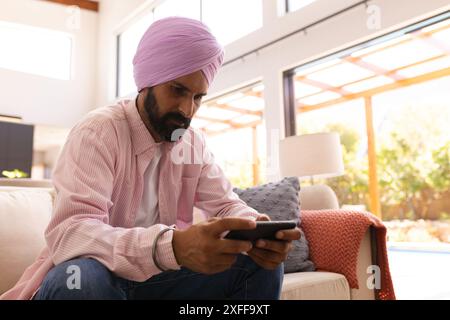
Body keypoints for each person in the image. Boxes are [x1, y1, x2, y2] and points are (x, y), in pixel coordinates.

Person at [1, 17, 300, 300]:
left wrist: (254, 226)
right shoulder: (98, 132)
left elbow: (225, 203)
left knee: (259, 265)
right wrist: (170, 247)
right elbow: (72, 232)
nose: (187, 109)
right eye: (178, 90)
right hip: (99, 276)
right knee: (80, 278)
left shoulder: (192, 142)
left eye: (197, 97)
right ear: (147, 82)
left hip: (155, 280)